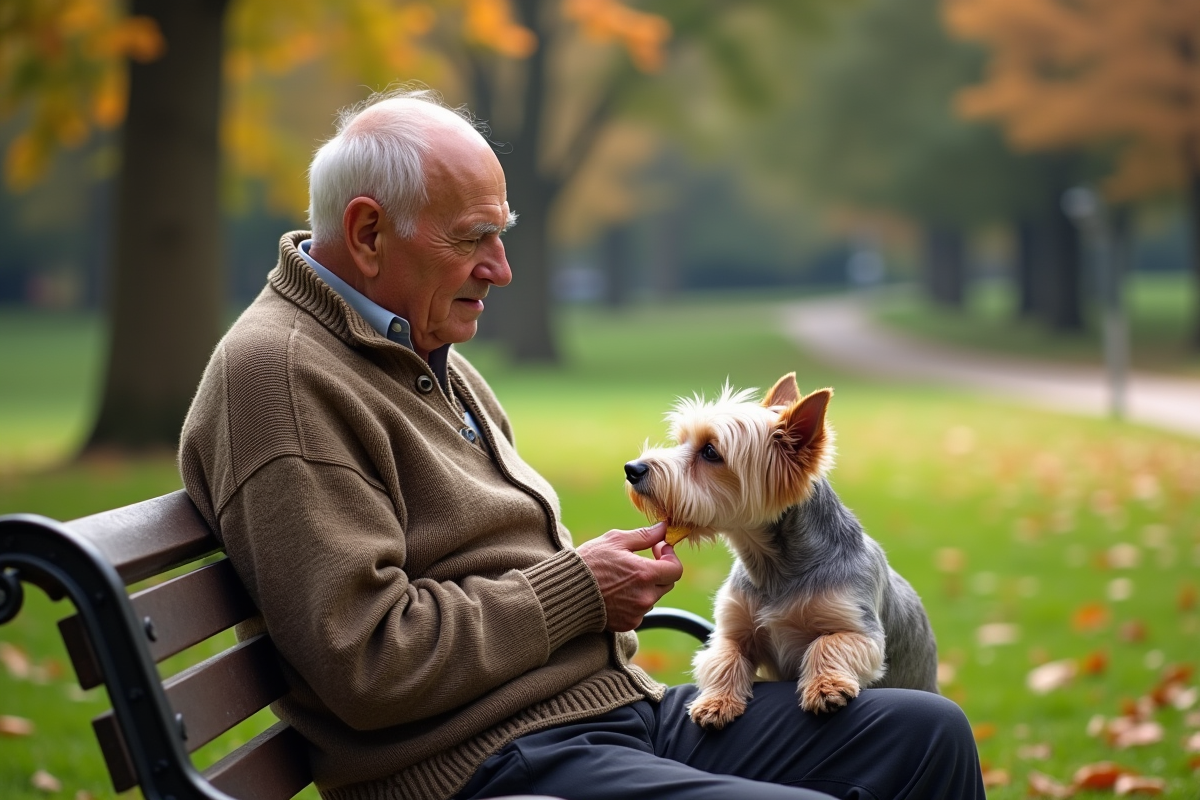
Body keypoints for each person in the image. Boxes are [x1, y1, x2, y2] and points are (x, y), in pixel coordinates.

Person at [179, 88, 985, 800]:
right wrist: (577, 590)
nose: (501, 268)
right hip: (488, 764)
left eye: (503, 235)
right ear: (367, 233)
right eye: (473, 238)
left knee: (929, 733)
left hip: (601, 716)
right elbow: (367, 661)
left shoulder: (419, 353)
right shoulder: (282, 382)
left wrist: (596, 586)